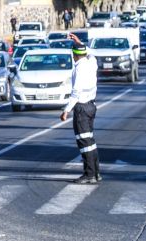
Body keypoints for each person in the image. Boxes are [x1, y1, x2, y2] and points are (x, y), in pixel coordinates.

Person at [60, 34, 100, 184]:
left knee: (84, 143)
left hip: (82, 108)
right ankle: (96, 173)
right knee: (90, 141)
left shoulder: (79, 68)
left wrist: (66, 110)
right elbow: (91, 53)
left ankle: (89, 174)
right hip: (91, 106)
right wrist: (79, 42)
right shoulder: (92, 63)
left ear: (74, 55)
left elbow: (76, 92)